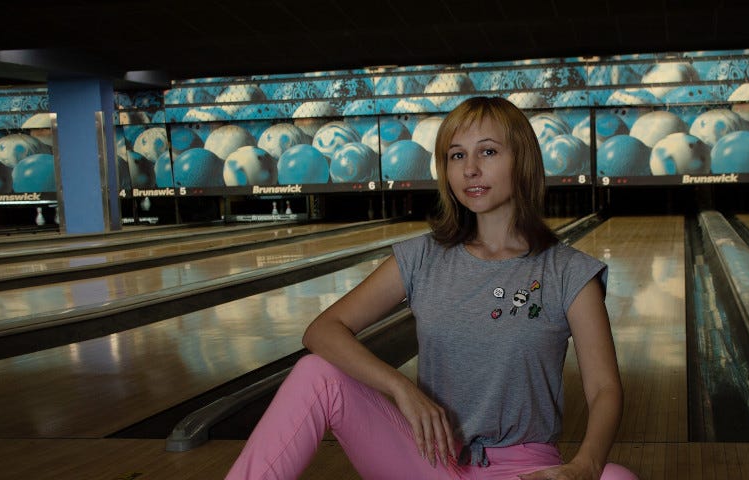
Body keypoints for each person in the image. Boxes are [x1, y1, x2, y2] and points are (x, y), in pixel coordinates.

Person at [226, 96, 636, 480]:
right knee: (316, 372)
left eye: (488, 152)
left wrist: (585, 464)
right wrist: (401, 389)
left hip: (523, 469)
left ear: (523, 160)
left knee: (616, 478)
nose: (470, 168)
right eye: (457, 155)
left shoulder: (569, 272)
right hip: (428, 461)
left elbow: (603, 388)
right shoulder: (422, 257)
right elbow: (321, 330)